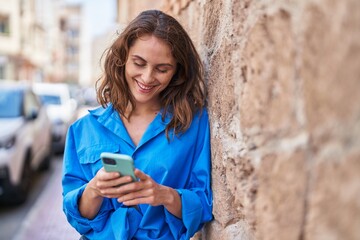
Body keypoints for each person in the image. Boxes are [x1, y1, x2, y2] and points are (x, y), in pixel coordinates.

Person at [62, 9, 213, 240]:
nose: (147, 77)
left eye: (162, 69)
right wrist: (95, 189)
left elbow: (203, 205)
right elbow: (77, 217)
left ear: (177, 72)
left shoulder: (194, 124)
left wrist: (164, 195)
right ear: (123, 59)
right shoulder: (82, 130)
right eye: (139, 63)